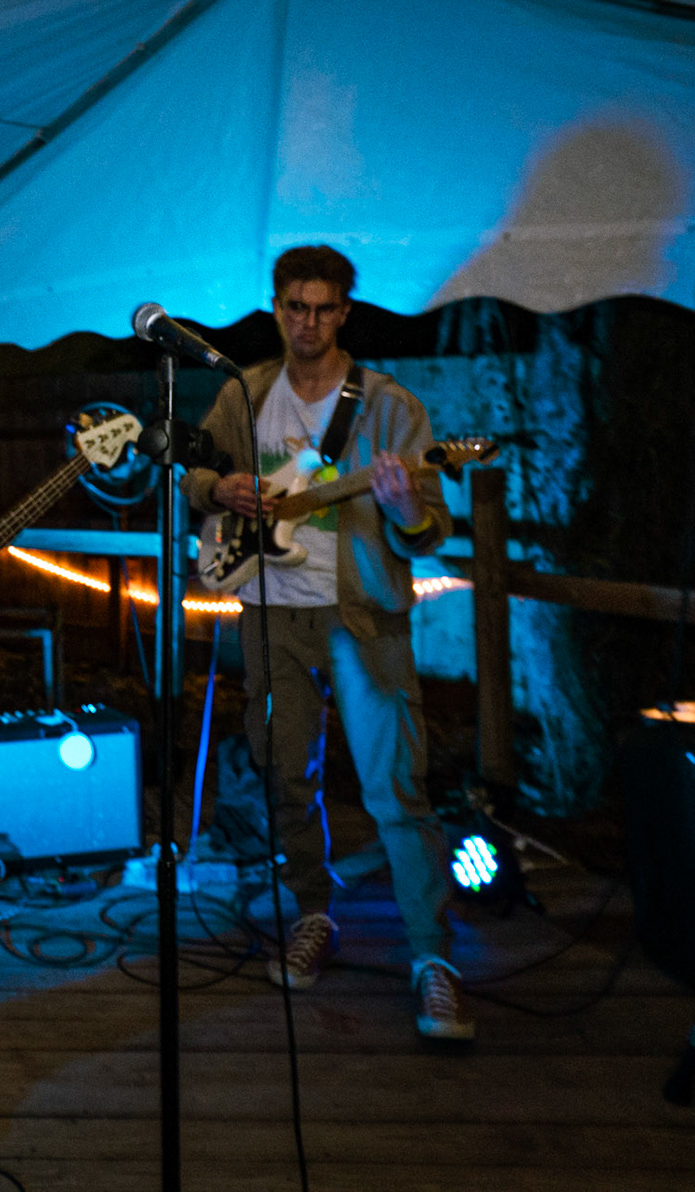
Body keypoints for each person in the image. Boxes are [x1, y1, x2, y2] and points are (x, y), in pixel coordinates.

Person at [183, 244, 470, 1039]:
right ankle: (314, 913)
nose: (308, 323)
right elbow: (195, 475)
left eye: (323, 309)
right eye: (295, 308)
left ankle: (431, 957)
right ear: (276, 309)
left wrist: (404, 504)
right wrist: (220, 487)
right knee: (285, 775)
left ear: (345, 312)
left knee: (396, 784)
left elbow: (427, 529)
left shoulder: (389, 407)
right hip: (270, 611)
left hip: (363, 617)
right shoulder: (244, 394)